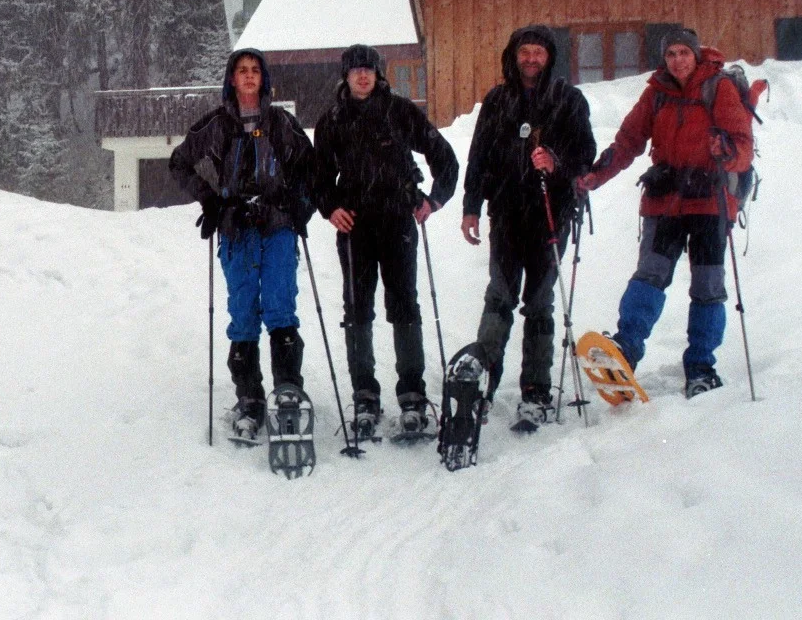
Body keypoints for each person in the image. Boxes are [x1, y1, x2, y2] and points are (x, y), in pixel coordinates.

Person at [576, 27, 754, 397]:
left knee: (707, 286)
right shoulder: (656, 92)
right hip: (666, 200)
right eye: (671, 54)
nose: (677, 60)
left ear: (695, 54)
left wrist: (728, 152)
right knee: (650, 276)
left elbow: (744, 147)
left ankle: (701, 365)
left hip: (709, 203)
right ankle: (627, 348)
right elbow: (628, 141)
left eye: (683, 53)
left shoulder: (718, 88)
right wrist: (597, 174)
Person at [311, 44, 458, 438]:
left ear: (379, 74)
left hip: (398, 219)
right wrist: (329, 207)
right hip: (355, 224)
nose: (363, 76)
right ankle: (364, 396)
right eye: (356, 70)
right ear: (346, 75)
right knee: (357, 309)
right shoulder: (332, 121)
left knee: (404, 305)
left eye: (369, 70)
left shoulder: (400, 111)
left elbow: (444, 156)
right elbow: (318, 176)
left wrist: (434, 199)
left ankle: (412, 395)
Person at [170, 48, 316, 439]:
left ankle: (287, 393)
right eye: (242, 71)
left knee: (281, 307)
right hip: (237, 228)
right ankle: (249, 399)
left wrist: (300, 208)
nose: (249, 77)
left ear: (263, 78)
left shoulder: (281, 122)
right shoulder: (216, 124)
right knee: (243, 311)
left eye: (255, 71)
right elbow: (179, 162)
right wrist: (211, 200)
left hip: (278, 225)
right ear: (232, 79)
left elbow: (311, 168)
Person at [460, 25, 596, 428]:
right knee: (499, 297)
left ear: (549, 57)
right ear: (514, 55)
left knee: (539, 303)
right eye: (525, 51)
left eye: (538, 52)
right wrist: (471, 207)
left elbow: (585, 153)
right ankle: (484, 382)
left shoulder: (569, 100)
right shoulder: (498, 100)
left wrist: (556, 163)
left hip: (550, 214)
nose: (531, 58)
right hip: (506, 213)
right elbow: (478, 157)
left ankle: (535, 391)